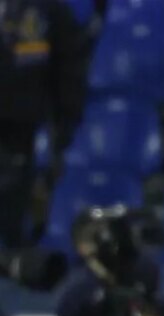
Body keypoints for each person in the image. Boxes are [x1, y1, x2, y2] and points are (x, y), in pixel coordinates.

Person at [0, 0, 88, 248]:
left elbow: (69, 69)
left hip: (23, 128)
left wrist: (65, 124)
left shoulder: (48, 10)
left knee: (13, 211)